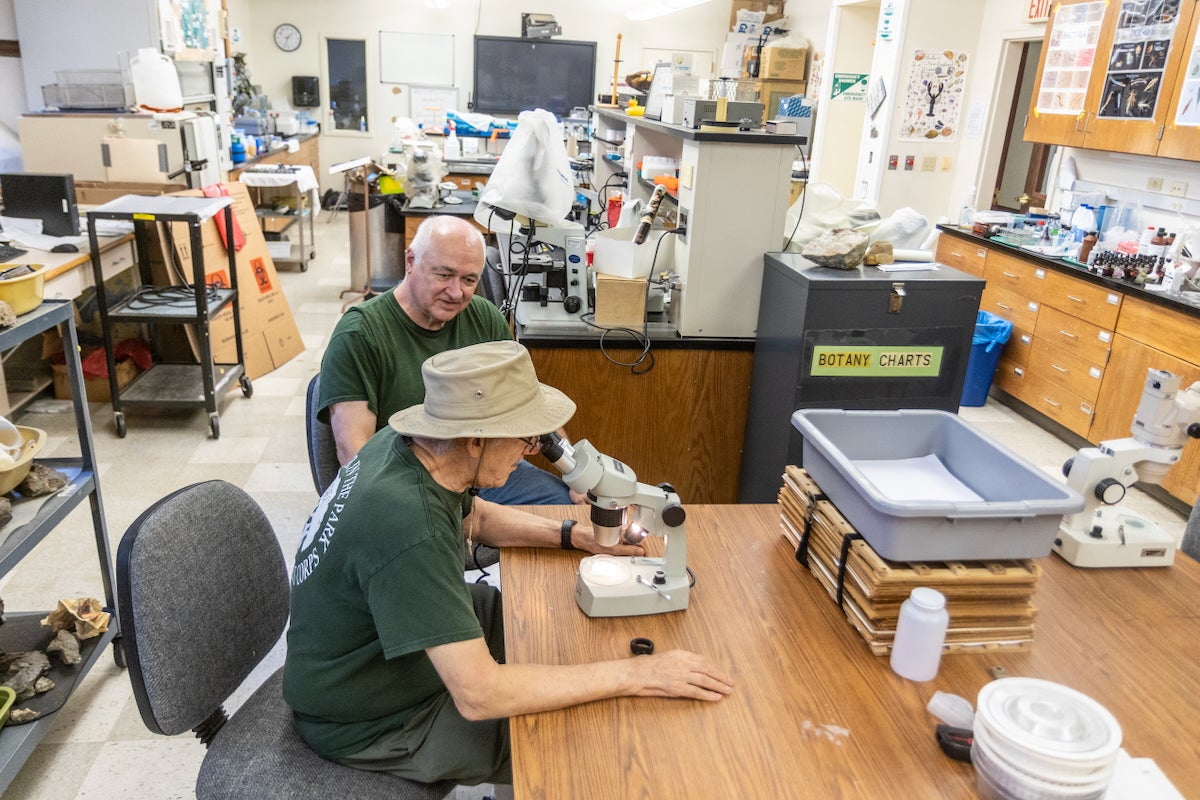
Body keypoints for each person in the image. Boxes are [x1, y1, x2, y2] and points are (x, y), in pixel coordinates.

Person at [283, 340, 734, 789]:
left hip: (380, 643)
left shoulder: (407, 446)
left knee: (550, 629)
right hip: (368, 718)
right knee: (583, 747)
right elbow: (481, 695)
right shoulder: (408, 528)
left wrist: (569, 535)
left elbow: (473, 516)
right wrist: (639, 675)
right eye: (525, 437)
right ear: (475, 439)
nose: (531, 451)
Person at [318, 213, 573, 504]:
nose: (456, 292)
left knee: (564, 505)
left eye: (469, 280)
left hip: (486, 468)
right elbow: (355, 455)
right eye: (444, 275)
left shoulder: (484, 317)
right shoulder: (359, 335)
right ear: (410, 261)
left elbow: (529, 405)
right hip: (407, 480)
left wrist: (575, 471)